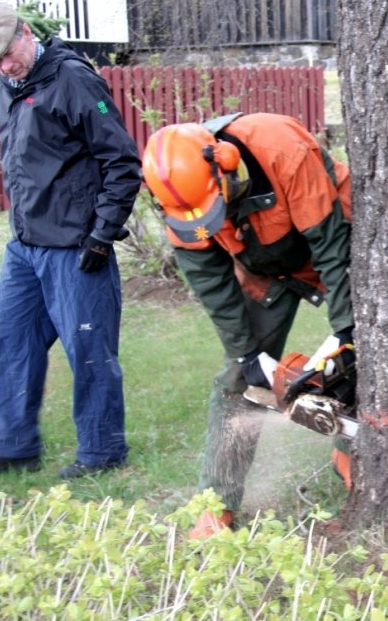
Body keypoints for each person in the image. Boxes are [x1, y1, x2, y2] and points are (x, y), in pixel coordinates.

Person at [141, 113, 354, 538]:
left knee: (366, 353)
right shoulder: (179, 200)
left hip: (332, 243)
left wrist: (347, 332)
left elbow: (330, 246)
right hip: (262, 266)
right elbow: (211, 283)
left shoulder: (281, 148)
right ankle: (215, 504)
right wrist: (248, 353)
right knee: (237, 380)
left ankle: (351, 456)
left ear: (225, 163)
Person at [0, 1, 142, 478]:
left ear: (25, 33)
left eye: (6, 55)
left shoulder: (72, 80)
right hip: (25, 247)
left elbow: (122, 162)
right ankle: (12, 447)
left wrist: (102, 235)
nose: (3, 68)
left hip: (76, 248)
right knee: (10, 345)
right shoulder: (8, 86)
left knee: (88, 351)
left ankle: (102, 453)